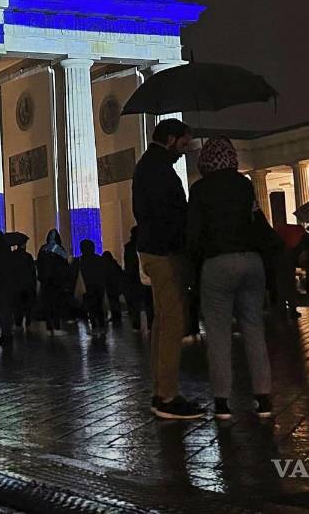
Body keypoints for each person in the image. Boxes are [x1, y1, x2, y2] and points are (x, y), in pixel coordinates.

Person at [186, 137, 274, 420]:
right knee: (253, 329)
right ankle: (263, 396)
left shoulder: (199, 190)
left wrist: (194, 266)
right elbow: (257, 222)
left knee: (219, 334)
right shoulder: (244, 184)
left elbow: (194, 234)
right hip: (251, 261)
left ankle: (222, 401)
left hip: (217, 263)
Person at [132, 117, 203, 420]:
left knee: (163, 321)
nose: (185, 151)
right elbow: (169, 213)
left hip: (152, 248)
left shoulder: (149, 165)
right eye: (184, 144)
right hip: (165, 251)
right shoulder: (159, 170)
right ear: (171, 139)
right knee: (173, 321)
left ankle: (162, 389)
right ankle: (167, 396)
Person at [37, 230, 71, 335]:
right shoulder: (59, 250)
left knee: (47, 305)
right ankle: (56, 327)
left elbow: (39, 265)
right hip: (57, 283)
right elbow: (65, 265)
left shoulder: (43, 249)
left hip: (45, 282)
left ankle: (49, 328)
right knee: (56, 305)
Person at [0, 232, 22, 345]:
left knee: (3, 311)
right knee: (7, 311)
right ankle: (7, 334)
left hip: (0, 285)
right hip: (9, 285)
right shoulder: (8, 253)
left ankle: (6, 335)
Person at [122, 227, 154, 332]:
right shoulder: (145, 244)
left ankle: (136, 325)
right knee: (149, 303)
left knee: (135, 304)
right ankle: (150, 324)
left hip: (134, 279)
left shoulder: (128, 247)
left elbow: (128, 264)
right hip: (145, 277)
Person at [77, 240, 109, 339]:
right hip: (99, 286)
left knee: (91, 308)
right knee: (99, 306)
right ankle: (102, 326)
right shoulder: (99, 259)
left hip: (87, 287)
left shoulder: (80, 260)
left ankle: (94, 326)